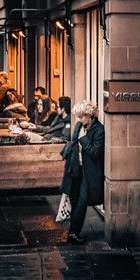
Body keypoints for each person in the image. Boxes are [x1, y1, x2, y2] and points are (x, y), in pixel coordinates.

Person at [60, 100, 104, 245]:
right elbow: (73, 142)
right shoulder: (79, 126)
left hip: (89, 172)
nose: (79, 120)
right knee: (74, 199)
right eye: (78, 116)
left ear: (89, 115)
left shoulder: (99, 130)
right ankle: (73, 231)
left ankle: (73, 233)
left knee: (82, 202)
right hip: (75, 169)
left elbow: (96, 152)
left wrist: (83, 140)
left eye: (81, 116)